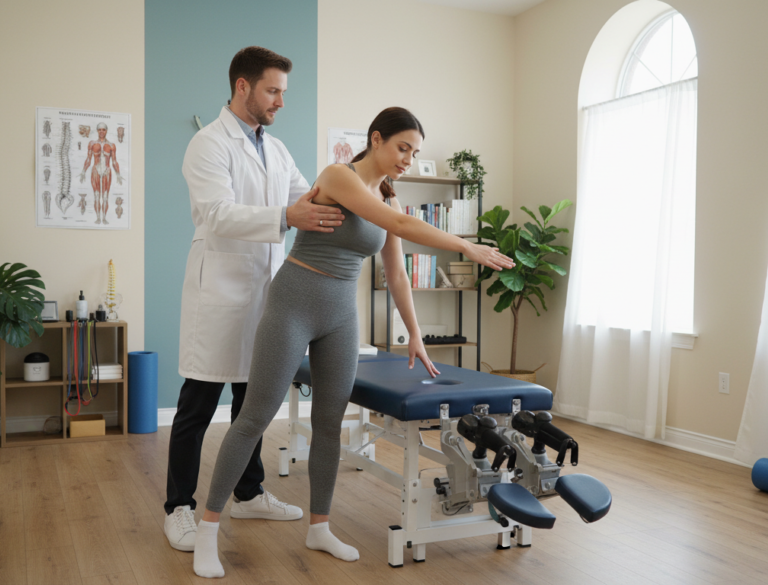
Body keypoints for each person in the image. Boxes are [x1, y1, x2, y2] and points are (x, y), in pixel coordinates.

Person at [193, 107, 515, 578]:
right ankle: (207, 530)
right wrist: (466, 246)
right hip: (294, 302)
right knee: (254, 417)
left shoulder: (389, 201)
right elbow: (401, 228)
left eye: (415, 152)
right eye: (402, 147)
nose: (408, 159)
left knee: (329, 423)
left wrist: (416, 336)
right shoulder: (338, 177)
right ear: (377, 139)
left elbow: (398, 273)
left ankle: (319, 527)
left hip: (342, 315)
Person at [163, 46, 347, 553]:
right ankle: (178, 507)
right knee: (197, 404)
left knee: (254, 400)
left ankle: (248, 491)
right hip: (218, 291)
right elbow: (216, 213)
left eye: (284, 92)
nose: (280, 101)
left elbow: (306, 196)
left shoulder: (276, 148)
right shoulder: (208, 144)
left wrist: (354, 187)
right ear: (242, 87)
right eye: (273, 90)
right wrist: (288, 217)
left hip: (267, 293)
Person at [79, 122, 123, 225]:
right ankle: (98, 217)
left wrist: (118, 174)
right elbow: (89, 159)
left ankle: (104, 218)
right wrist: (83, 171)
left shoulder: (112, 145)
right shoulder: (92, 144)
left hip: (107, 171)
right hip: (95, 171)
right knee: (96, 196)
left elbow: (114, 161)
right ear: (97, 131)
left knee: (105, 196)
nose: (101, 131)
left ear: (106, 131)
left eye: (103, 130)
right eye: (100, 130)